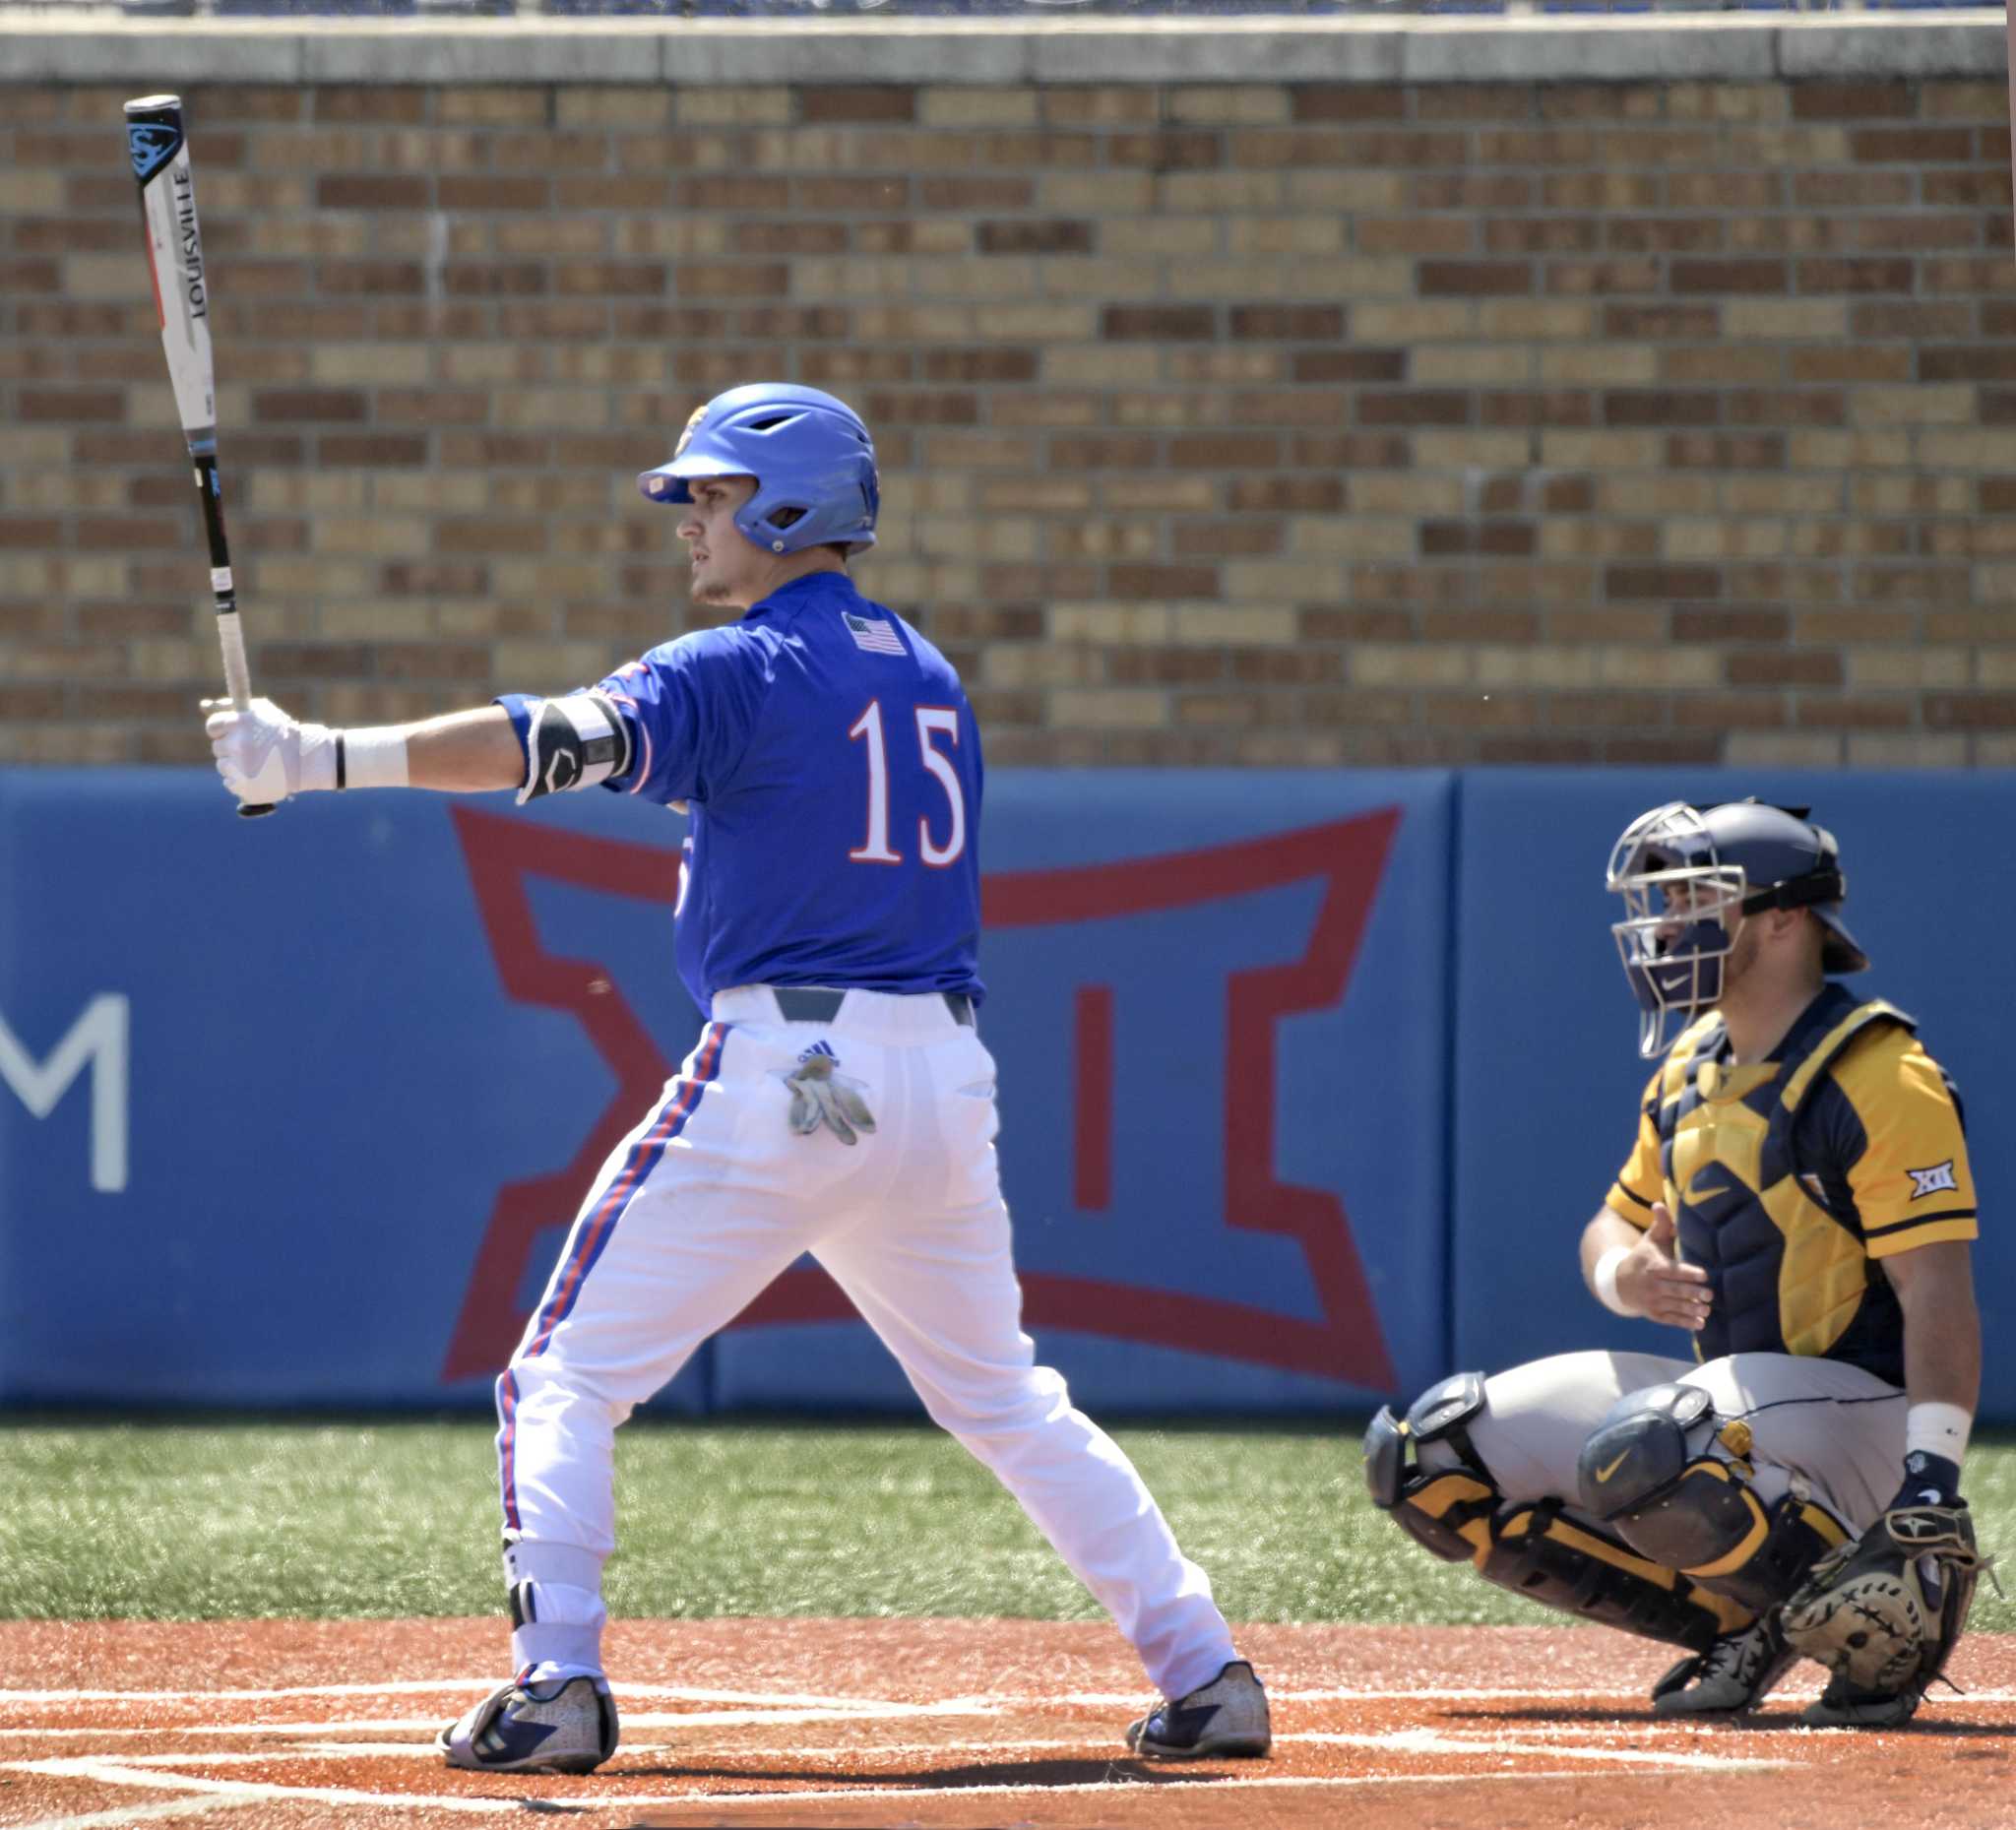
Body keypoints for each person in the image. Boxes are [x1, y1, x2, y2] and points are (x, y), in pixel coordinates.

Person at [205, 383, 1270, 1774]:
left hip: (797, 1065)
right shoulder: (928, 672)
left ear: (788, 506)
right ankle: (1205, 1663)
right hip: (942, 1076)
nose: (692, 525)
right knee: (1006, 1394)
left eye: (712, 498)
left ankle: (558, 1681)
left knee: (560, 1374)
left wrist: (319, 758)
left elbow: (542, 740)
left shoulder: (744, 665)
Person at [1363, 799, 1985, 1727]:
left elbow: (1934, 1284)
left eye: (1693, 897)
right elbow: (1608, 1229)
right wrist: (1627, 1276)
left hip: (1868, 1424)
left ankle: (1897, 1608)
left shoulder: (1877, 1069)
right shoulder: (1692, 1064)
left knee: (1655, 1438)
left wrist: (1930, 1484)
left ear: (1782, 917)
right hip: (1740, 1417)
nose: (1662, 926)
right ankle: (1751, 1623)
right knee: (1430, 1454)